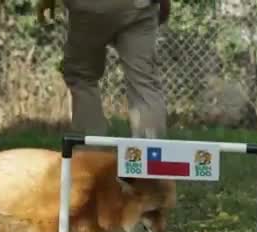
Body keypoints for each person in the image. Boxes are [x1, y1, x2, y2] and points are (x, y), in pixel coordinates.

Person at [37, 0, 171, 138]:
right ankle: (149, 154)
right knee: (144, 82)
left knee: (82, 76)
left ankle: (92, 152)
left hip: (91, 7)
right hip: (138, 6)